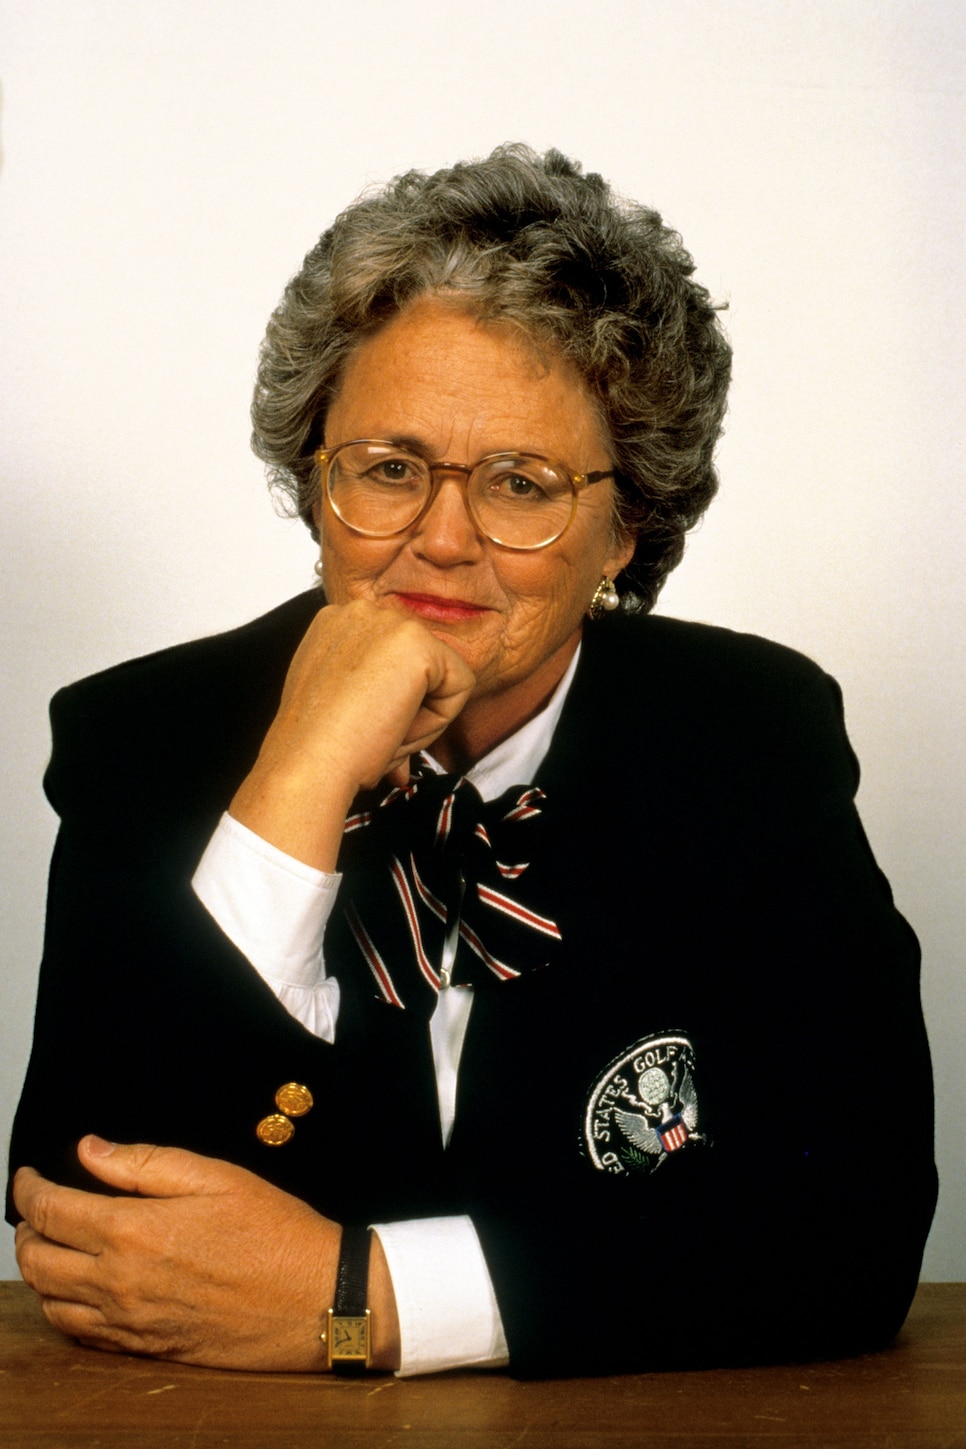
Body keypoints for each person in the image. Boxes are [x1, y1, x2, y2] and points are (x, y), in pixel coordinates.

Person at [7, 145, 936, 1379]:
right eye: (390, 470)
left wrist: (364, 1298)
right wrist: (296, 776)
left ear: (627, 525)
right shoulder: (143, 734)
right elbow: (89, 1223)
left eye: (521, 484)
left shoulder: (749, 738)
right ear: (314, 482)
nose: (442, 540)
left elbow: (853, 1233)